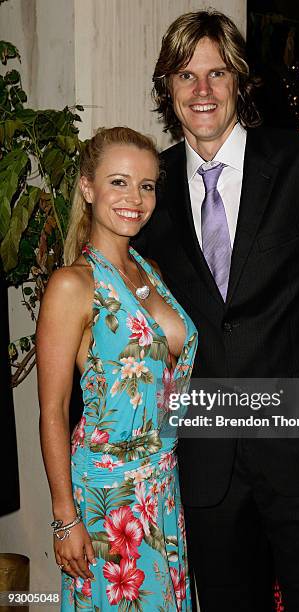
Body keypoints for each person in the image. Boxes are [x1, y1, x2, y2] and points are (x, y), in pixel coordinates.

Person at [136, 10, 299, 611]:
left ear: (240, 85)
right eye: (185, 75)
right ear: (167, 90)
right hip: (205, 451)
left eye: (217, 74)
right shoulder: (150, 185)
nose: (202, 90)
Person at [36, 127, 197, 610]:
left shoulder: (152, 273)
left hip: (163, 487)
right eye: (119, 182)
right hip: (109, 496)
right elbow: (53, 410)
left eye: (146, 185)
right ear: (88, 188)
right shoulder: (72, 285)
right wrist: (66, 518)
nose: (135, 198)